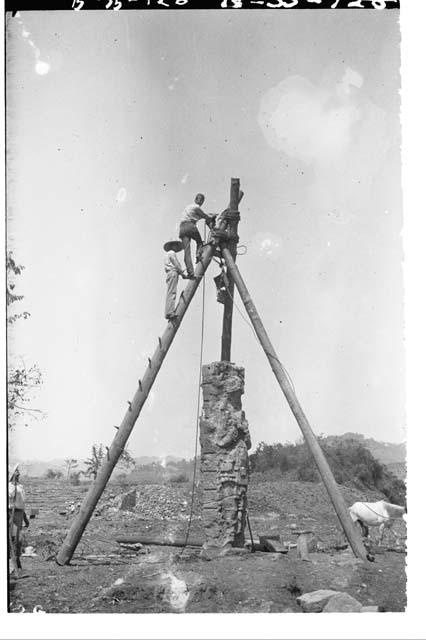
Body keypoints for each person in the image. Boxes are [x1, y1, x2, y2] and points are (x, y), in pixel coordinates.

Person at [179, 193, 215, 279]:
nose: (201, 202)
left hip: (182, 228)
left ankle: (190, 272)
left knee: (187, 251)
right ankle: (198, 254)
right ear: (198, 200)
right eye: (201, 200)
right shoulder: (196, 207)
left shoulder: (189, 207)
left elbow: (198, 216)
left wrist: (207, 216)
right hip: (190, 226)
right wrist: (210, 218)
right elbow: (204, 216)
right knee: (199, 242)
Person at [8, 464, 29, 569]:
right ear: (12, 473)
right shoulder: (9, 487)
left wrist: (25, 518)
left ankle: (16, 560)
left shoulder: (20, 486)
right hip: (11, 513)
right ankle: (14, 563)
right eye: (17, 471)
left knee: (18, 539)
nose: (19, 472)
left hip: (19, 514)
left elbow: (22, 503)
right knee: (15, 538)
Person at [163, 240, 187, 321]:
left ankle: (168, 311)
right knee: (172, 292)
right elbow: (176, 264)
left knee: (170, 292)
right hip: (173, 273)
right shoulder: (171, 253)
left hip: (171, 273)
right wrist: (182, 272)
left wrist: (181, 272)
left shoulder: (168, 254)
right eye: (176, 246)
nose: (176, 247)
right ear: (173, 246)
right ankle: (170, 312)